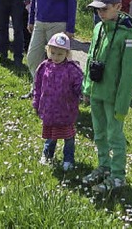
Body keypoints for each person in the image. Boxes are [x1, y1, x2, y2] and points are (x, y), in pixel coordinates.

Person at [81, 0, 132, 193]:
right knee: (99, 133)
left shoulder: (127, 36)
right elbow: (90, 60)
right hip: (97, 92)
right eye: (97, 9)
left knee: (115, 135)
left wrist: (122, 104)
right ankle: (104, 166)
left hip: (114, 96)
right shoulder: (98, 28)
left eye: (104, 9)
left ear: (118, 7)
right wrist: (87, 89)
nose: (100, 13)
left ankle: (118, 176)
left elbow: (129, 73)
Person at [26, 0, 77, 94]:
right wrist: (31, 19)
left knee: (57, 59)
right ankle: (38, 86)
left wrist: (70, 28)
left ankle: (56, 91)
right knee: (33, 57)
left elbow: (72, 2)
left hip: (58, 24)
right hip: (40, 22)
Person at [33, 32, 83, 171]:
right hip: (49, 110)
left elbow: (79, 85)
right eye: (53, 53)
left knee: (68, 137)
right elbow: (37, 86)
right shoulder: (44, 67)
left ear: (67, 53)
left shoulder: (72, 69)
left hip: (66, 111)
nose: (55, 57)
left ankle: (68, 159)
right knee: (51, 135)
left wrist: (83, 93)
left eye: (60, 54)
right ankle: (47, 154)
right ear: (48, 50)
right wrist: (36, 103)